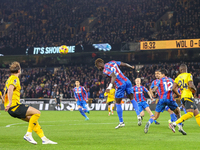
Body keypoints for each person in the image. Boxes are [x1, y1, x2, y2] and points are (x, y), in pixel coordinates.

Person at [4, 62, 57, 145]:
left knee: (32, 119)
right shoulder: (14, 78)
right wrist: (10, 102)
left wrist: (6, 103)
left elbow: (5, 93)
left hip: (11, 109)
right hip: (14, 106)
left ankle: (44, 139)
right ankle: (28, 134)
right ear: (19, 70)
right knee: (37, 113)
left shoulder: (9, 79)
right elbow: (10, 89)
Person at [95, 58, 141, 129]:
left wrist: (109, 87)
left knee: (118, 103)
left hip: (120, 84)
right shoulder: (112, 62)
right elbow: (124, 64)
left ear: (99, 65)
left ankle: (121, 122)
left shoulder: (105, 70)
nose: (99, 68)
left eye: (98, 67)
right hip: (127, 81)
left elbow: (114, 76)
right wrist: (131, 67)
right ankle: (138, 115)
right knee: (132, 98)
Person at [144, 69, 186, 135]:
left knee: (156, 116)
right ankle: (180, 128)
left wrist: (154, 92)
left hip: (161, 100)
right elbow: (176, 87)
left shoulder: (159, 80)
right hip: (170, 99)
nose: (159, 75)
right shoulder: (172, 80)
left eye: (160, 74)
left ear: (163, 74)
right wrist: (177, 95)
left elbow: (154, 88)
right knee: (178, 112)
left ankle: (148, 123)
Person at [169, 64, 200, 132]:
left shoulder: (177, 78)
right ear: (186, 69)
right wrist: (195, 89)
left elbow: (173, 88)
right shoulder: (188, 75)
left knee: (197, 114)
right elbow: (191, 85)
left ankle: (174, 123)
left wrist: (178, 94)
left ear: (180, 70)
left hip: (183, 96)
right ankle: (174, 124)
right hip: (188, 96)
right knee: (190, 114)